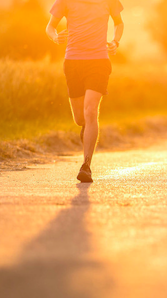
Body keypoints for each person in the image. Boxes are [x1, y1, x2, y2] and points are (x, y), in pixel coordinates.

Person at [46, 0, 124, 183]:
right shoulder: (65, 1)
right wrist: (55, 37)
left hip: (99, 62)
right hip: (73, 62)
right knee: (80, 119)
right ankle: (86, 128)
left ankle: (86, 166)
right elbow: (50, 27)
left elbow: (119, 23)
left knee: (90, 111)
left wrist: (115, 41)